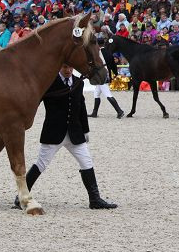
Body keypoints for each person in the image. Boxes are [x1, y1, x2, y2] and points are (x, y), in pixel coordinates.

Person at [13, 63, 117, 210]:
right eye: (64, 67)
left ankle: (95, 199)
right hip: (54, 132)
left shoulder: (78, 82)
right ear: (59, 67)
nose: (68, 70)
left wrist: (85, 130)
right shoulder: (49, 82)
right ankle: (20, 197)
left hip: (74, 133)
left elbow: (81, 107)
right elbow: (34, 102)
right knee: (41, 164)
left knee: (87, 162)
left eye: (70, 68)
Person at [88, 34, 125, 118]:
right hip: (107, 73)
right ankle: (94, 112)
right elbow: (113, 64)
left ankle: (119, 111)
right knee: (96, 94)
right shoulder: (109, 52)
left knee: (108, 94)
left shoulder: (96, 53)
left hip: (100, 74)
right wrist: (115, 73)